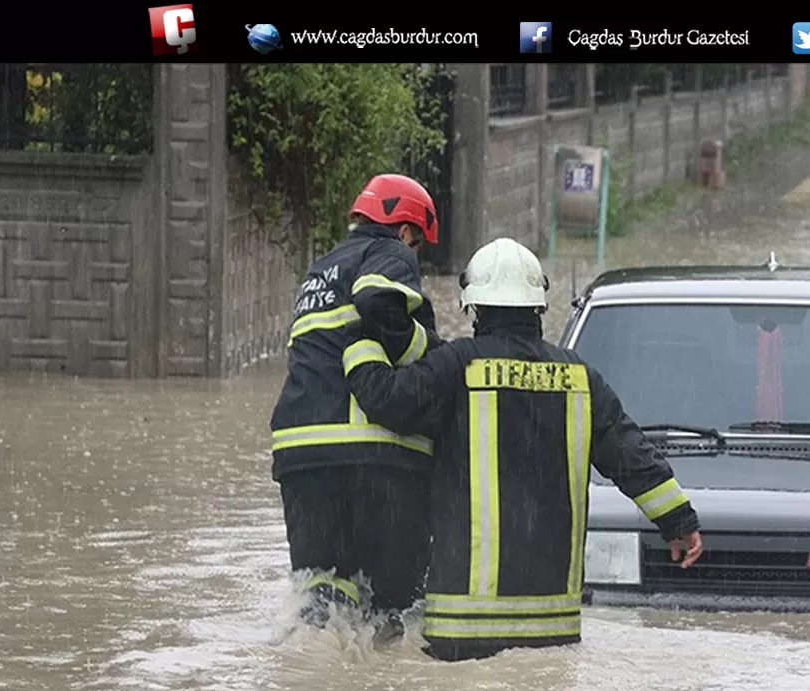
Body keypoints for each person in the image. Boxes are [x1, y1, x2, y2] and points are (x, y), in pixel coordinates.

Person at [341, 237, 704, 662]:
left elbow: (387, 402)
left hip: (463, 625)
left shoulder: (456, 367)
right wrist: (678, 520)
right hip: (552, 628)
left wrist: (358, 343)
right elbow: (631, 455)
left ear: (473, 307)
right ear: (538, 305)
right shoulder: (581, 378)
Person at [269, 173, 444, 634]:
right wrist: (423, 349)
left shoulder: (320, 269)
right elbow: (377, 301)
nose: (415, 253)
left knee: (322, 596)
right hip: (368, 453)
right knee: (392, 604)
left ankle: (317, 689)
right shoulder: (389, 253)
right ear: (406, 230)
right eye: (418, 242)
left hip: (299, 458)